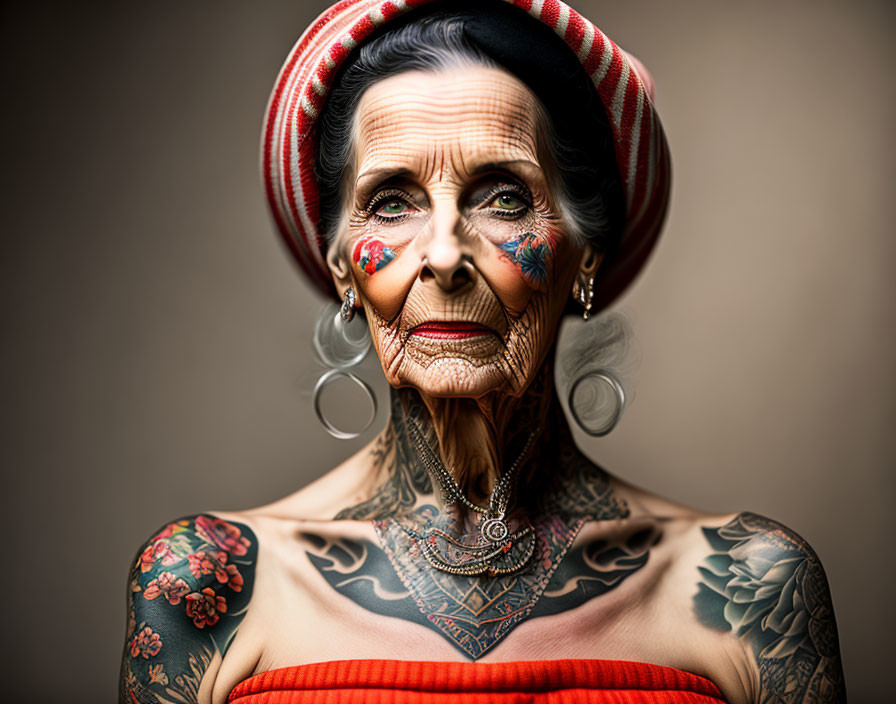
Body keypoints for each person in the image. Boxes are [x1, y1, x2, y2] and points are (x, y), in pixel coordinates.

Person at [119, 2, 846, 702]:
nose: (443, 255)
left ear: (584, 255)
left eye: (502, 198)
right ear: (342, 266)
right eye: (392, 203)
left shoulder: (752, 589)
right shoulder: (209, 583)